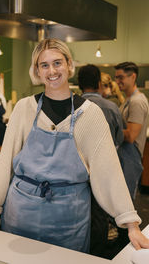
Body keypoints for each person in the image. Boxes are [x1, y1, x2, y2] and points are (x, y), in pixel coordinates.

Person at [0, 39, 149, 254]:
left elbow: (109, 172)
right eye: (44, 65)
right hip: (20, 215)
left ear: (69, 65)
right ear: (37, 71)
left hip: (69, 221)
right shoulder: (24, 109)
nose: (52, 70)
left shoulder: (91, 114)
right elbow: (5, 164)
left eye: (58, 63)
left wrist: (131, 224)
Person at [78, 64, 124, 257]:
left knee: (79, 212)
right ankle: (97, 255)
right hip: (103, 171)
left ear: (79, 84)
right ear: (98, 84)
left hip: (76, 172)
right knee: (100, 212)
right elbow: (119, 139)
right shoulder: (111, 107)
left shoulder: (70, 106)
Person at [115, 62, 149, 199]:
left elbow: (130, 136)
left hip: (131, 157)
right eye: (116, 77)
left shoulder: (137, 102)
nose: (117, 81)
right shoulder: (128, 100)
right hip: (124, 156)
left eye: (121, 77)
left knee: (125, 203)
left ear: (133, 76)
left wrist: (108, 131)